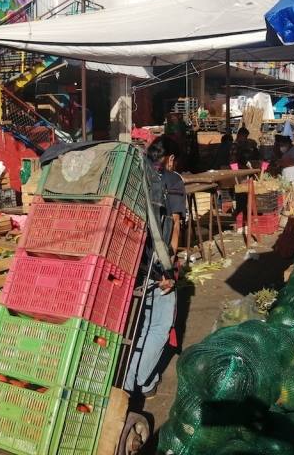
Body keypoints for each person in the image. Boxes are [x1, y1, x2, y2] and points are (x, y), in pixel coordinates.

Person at [125, 136, 185, 399]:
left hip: (133, 263)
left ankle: (129, 380)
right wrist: (169, 270)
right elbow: (175, 225)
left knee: (139, 325)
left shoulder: (133, 177)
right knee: (159, 326)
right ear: (170, 158)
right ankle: (142, 383)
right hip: (158, 266)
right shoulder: (172, 179)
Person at [273, 135, 294, 219]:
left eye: (281, 145)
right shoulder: (286, 152)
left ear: (287, 143)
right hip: (289, 178)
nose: (281, 147)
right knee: (291, 196)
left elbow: (293, 162)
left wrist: (279, 163)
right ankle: (292, 214)